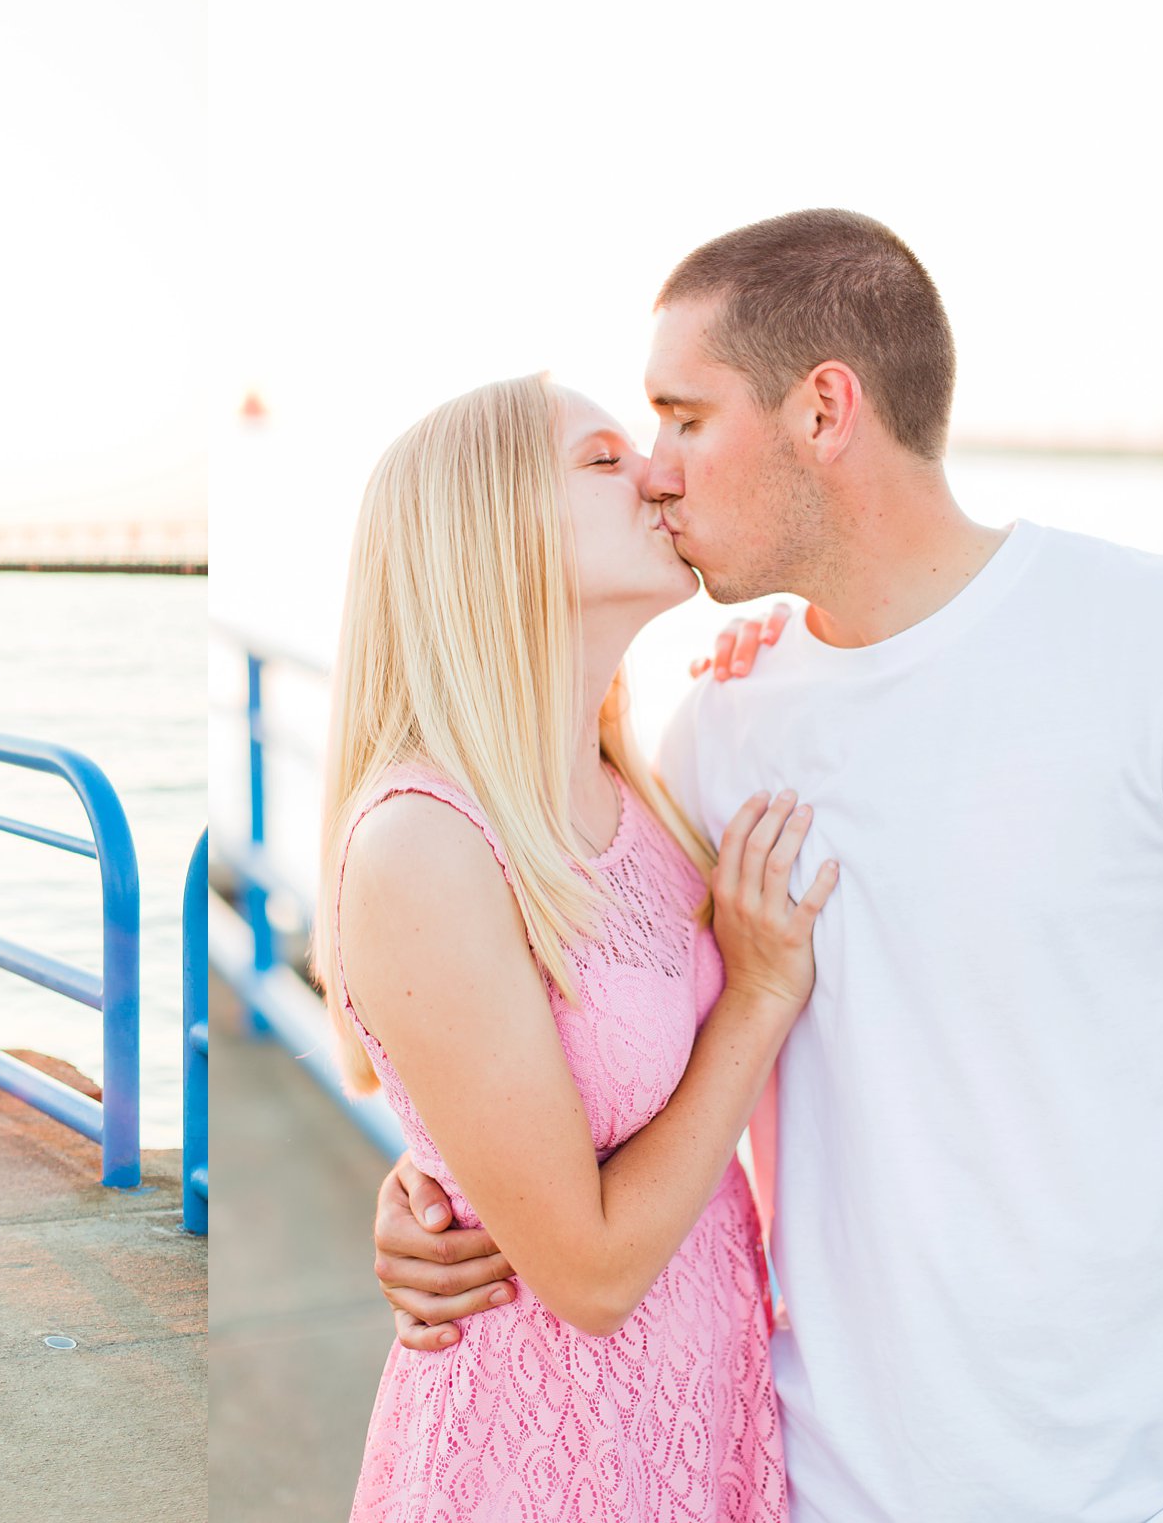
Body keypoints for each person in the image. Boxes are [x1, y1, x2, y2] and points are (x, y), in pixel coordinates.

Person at [370, 210, 1163, 1523]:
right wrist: (438, 1181)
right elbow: (587, 1020)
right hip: (812, 1471)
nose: (656, 472)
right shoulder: (709, 724)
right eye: (628, 442)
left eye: (682, 419)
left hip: (1153, 1479)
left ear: (825, 408)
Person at [323, 371, 842, 1518]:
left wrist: (799, 652)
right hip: (546, 1456)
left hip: (700, 1414)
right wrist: (756, 995)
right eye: (603, 460)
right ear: (490, 534)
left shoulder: (631, 785)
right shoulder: (423, 840)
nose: (659, 472)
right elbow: (593, 1273)